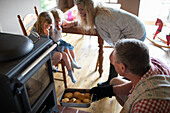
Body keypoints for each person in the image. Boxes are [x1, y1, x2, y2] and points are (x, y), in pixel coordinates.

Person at [76, 0, 146, 86]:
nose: (80, 12)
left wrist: (115, 53)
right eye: (79, 9)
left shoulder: (101, 18)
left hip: (137, 33)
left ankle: (125, 82)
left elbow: (117, 39)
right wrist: (72, 23)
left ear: (89, 9)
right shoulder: (97, 11)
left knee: (117, 58)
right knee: (115, 57)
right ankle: (113, 81)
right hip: (134, 29)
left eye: (82, 9)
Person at [90, 39, 170, 113]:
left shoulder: (144, 107)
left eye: (113, 63)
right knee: (114, 81)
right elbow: (139, 83)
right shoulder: (151, 62)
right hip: (159, 92)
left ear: (122, 67)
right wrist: (110, 90)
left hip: (155, 102)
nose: (113, 64)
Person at [29, 11, 77, 83]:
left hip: (49, 49)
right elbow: (40, 46)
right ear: (40, 23)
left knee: (64, 54)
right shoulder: (34, 33)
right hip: (42, 52)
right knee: (59, 55)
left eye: (50, 26)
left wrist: (50, 35)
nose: (48, 27)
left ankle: (70, 73)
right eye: (46, 26)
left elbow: (52, 42)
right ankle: (48, 66)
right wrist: (46, 37)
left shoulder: (48, 28)